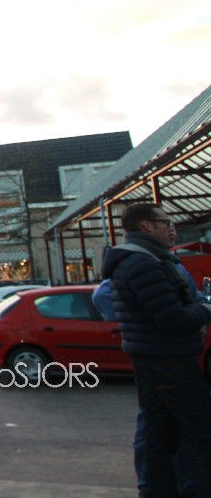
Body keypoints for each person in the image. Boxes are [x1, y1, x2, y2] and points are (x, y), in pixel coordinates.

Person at [102, 203, 211, 498]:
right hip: (170, 359)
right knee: (200, 431)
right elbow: (173, 319)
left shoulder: (141, 260)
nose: (171, 227)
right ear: (147, 226)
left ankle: (158, 490)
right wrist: (206, 309)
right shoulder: (144, 263)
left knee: (158, 432)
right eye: (165, 222)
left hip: (153, 356)